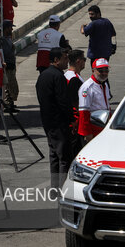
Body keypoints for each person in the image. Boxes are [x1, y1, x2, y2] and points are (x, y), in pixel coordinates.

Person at [35, 47, 73, 189]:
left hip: (48, 121)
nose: (67, 61)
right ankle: (63, 188)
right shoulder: (58, 77)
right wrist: (72, 119)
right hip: (59, 123)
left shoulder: (43, 75)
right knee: (64, 157)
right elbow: (63, 101)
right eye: (64, 58)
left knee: (54, 155)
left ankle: (55, 187)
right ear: (56, 60)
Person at [78, 58, 111, 143]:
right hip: (93, 128)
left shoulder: (104, 84)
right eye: (100, 70)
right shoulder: (87, 87)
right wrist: (87, 134)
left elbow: (107, 106)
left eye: (106, 70)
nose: (104, 73)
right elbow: (83, 113)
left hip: (104, 127)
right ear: (93, 71)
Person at [65, 50, 87, 159]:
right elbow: (77, 103)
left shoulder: (66, 76)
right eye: (84, 59)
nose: (85, 62)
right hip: (76, 122)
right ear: (79, 61)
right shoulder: (75, 79)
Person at [1, 20, 20, 112]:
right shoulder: (2, 40)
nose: (11, 29)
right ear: (6, 28)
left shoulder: (8, 38)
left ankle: (11, 104)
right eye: (10, 27)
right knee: (9, 87)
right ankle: (8, 105)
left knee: (13, 87)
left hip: (12, 66)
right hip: (7, 67)